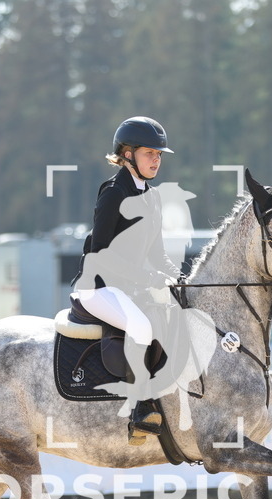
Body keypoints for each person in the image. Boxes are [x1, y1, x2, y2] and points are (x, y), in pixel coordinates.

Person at [72, 116, 181, 445]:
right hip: (98, 286)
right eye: (150, 153)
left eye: (159, 154)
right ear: (127, 154)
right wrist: (148, 277)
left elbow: (158, 253)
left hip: (129, 288)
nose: (156, 160)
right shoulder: (113, 193)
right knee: (142, 326)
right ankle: (139, 408)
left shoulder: (153, 196)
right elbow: (102, 253)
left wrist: (178, 278)